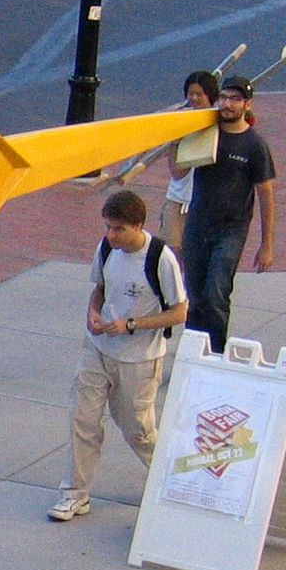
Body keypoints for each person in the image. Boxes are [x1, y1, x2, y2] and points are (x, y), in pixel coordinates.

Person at [51, 189, 188, 522]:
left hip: (139, 359)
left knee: (138, 430)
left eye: (118, 229)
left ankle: (173, 481)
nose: (111, 235)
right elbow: (99, 289)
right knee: (82, 419)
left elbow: (179, 312)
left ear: (138, 226)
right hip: (98, 349)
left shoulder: (160, 258)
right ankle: (75, 493)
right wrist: (94, 314)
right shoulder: (106, 249)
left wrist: (132, 324)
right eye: (108, 227)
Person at [179, 71, 277, 354]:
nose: (228, 104)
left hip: (231, 230)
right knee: (195, 297)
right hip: (197, 224)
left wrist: (267, 245)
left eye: (235, 99)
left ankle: (215, 355)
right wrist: (176, 140)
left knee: (216, 295)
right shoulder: (206, 133)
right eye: (223, 97)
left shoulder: (254, 145)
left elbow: (266, 194)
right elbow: (178, 172)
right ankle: (193, 355)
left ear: (247, 105)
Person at [159, 70, 220, 253]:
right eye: (190, 93)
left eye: (199, 94)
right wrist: (176, 141)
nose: (194, 98)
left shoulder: (220, 123)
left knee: (196, 253)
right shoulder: (182, 121)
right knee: (172, 252)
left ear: (210, 96)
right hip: (178, 198)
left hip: (205, 203)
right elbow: (178, 173)